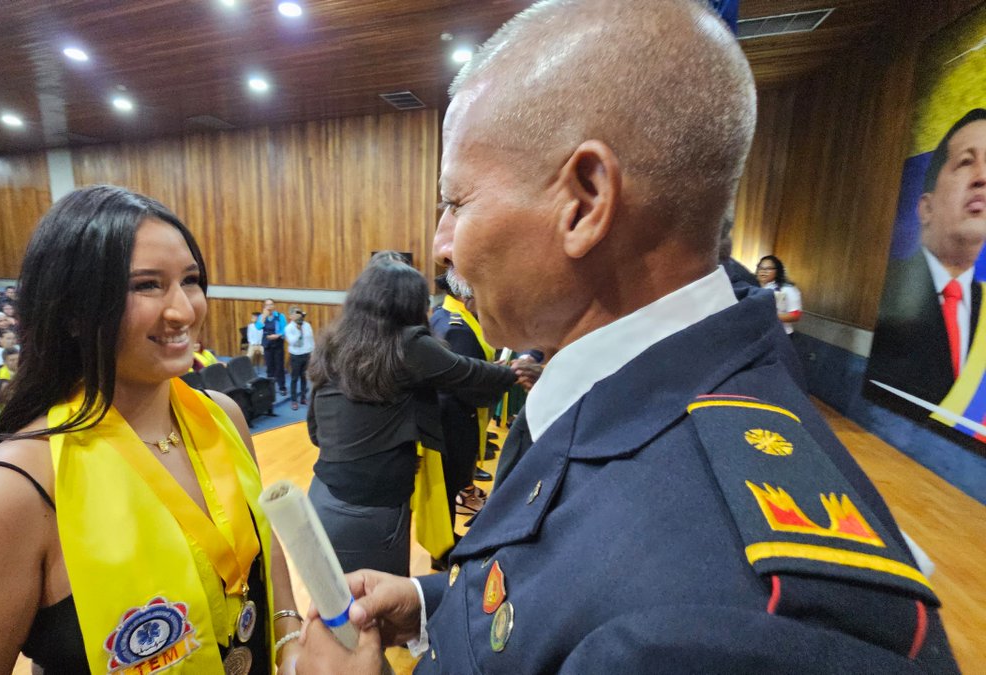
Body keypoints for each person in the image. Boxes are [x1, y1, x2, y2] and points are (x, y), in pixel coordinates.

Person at [293, 1, 956, 672]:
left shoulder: (720, 623)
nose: (442, 245)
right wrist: (432, 604)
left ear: (584, 201)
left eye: (457, 202)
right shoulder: (650, 394)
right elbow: (552, 589)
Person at [0, 185, 302, 674]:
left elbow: (258, 540)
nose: (183, 310)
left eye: (190, 280)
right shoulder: (5, 494)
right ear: (70, 311)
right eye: (147, 285)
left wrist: (289, 636)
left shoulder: (222, 416)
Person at [306, 254, 516, 576]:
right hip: (370, 510)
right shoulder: (407, 345)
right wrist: (516, 371)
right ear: (410, 305)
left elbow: (315, 431)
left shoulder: (333, 342)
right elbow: (470, 375)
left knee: (343, 602)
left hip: (323, 496)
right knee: (380, 602)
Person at [869, 108, 986, 409]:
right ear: (926, 208)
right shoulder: (889, 285)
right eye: (966, 162)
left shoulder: (982, 304)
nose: (982, 178)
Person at [429, 276, 513, 519]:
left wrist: (488, 370)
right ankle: (447, 541)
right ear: (465, 293)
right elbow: (468, 386)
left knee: (449, 484)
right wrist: (500, 377)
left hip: (447, 414)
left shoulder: (444, 314)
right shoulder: (458, 329)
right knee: (452, 483)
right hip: (457, 418)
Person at [756, 255, 803, 335]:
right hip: (759, 333)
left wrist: (768, 317)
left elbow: (796, 315)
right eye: (761, 268)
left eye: (768, 268)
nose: (763, 271)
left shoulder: (788, 289)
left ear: (777, 271)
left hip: (780, 334)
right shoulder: (754, 287)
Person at [284, 306, 314, 411]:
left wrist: (313, 351)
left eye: (300, 313)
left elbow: (311, 339)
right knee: (294, 378)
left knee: (304, 377)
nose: (299, 315)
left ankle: (303, 398)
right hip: (296, 355)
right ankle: (294, 401)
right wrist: (299, 331)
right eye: (296, 313)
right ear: (291, 316)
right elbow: (292, 342)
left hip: (307, 354)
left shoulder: (307, 325)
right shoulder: (289, 328)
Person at [257, 299, 288, 395]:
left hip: (278, 343)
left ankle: (282, 387)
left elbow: (284, 329)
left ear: (274, 306)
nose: (269, 307)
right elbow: (258, 327)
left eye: (271, 305)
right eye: (267, 305)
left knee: (279, 367)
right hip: (267, 345)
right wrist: (263, 317)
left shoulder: (280, 316)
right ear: (264, 307)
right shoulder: (261, 317)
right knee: (269, 367)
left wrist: (278, 335)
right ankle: (270, 388)